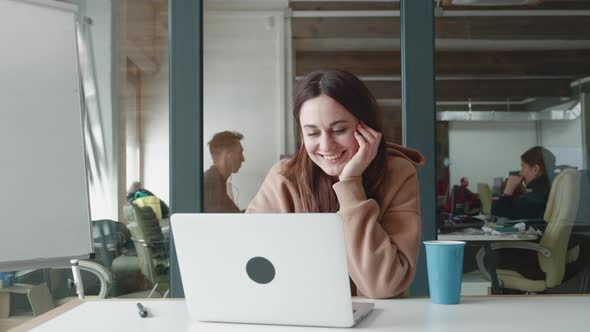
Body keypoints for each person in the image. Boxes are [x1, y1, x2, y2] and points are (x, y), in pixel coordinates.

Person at [246, 70, 424, 299]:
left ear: (367, 127)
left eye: (339, 130)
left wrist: (350, 184)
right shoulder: (285, 177)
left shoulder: (397, 174)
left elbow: (382, 285)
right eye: (312, 133)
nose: (326, 145)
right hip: (299, 315)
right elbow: (250, 262)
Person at [491, 146, 556, 220]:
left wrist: (508, 191)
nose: (520, 172)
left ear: (535, 169)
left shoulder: (536, 197)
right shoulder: (550, 188)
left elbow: (497, 214)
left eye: (523, 167)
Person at [204, 131, 245, 213]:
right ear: (228, 156)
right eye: (240, 153)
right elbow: (222, 222)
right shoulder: (211, 184)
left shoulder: (214, 180)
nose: (243, 159)